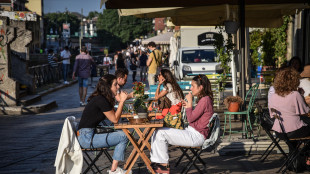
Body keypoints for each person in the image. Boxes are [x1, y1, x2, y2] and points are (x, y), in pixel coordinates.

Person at [150, 74, 214, 173]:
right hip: (193, 132)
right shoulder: (204, 99)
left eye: (193, 86)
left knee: (160, 133)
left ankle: (162, 168)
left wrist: (189, 106)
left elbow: (191, 119)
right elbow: (194, 117)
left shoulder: (205, 100)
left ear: (201, 87)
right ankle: (158, 165)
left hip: (196, 136)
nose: (191, 88)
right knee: (157, 132)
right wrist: (189, 106)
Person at [77, 74, 130, 174]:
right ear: (108, 87)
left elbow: (114, 116)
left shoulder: (101, 98)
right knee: (123, 137)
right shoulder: (101, 100)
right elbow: (115, 120)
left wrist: (121, 99)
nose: (118, 87)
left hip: (87, 134)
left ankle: (114, 169)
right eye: (115, 85)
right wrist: (122, 101)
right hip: (86, 138)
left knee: (121, 133)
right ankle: (114, 170)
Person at [269, 67, 310, 139]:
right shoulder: (295, 94)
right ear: (294, 81)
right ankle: (303, 150)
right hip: (294, 130)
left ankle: (294, 150)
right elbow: (306, 112)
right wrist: (302, 95)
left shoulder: (273, 96)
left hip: (279, 132)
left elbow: (272, 115)